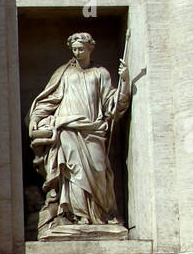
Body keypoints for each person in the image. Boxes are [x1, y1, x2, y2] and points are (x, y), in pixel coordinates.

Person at [28, 31, 130, 229]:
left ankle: (99, 214)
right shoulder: (63, 73)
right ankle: (78, 215)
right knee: (73, 172)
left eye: (81, 49)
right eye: (74, 49)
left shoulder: (101, 73)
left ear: (90, 48)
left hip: (93, 129)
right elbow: (49, 99)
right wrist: (36, 118)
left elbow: (112, 104)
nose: (77, 52)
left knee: (99, 170)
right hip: (67, 127)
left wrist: (124, 81)